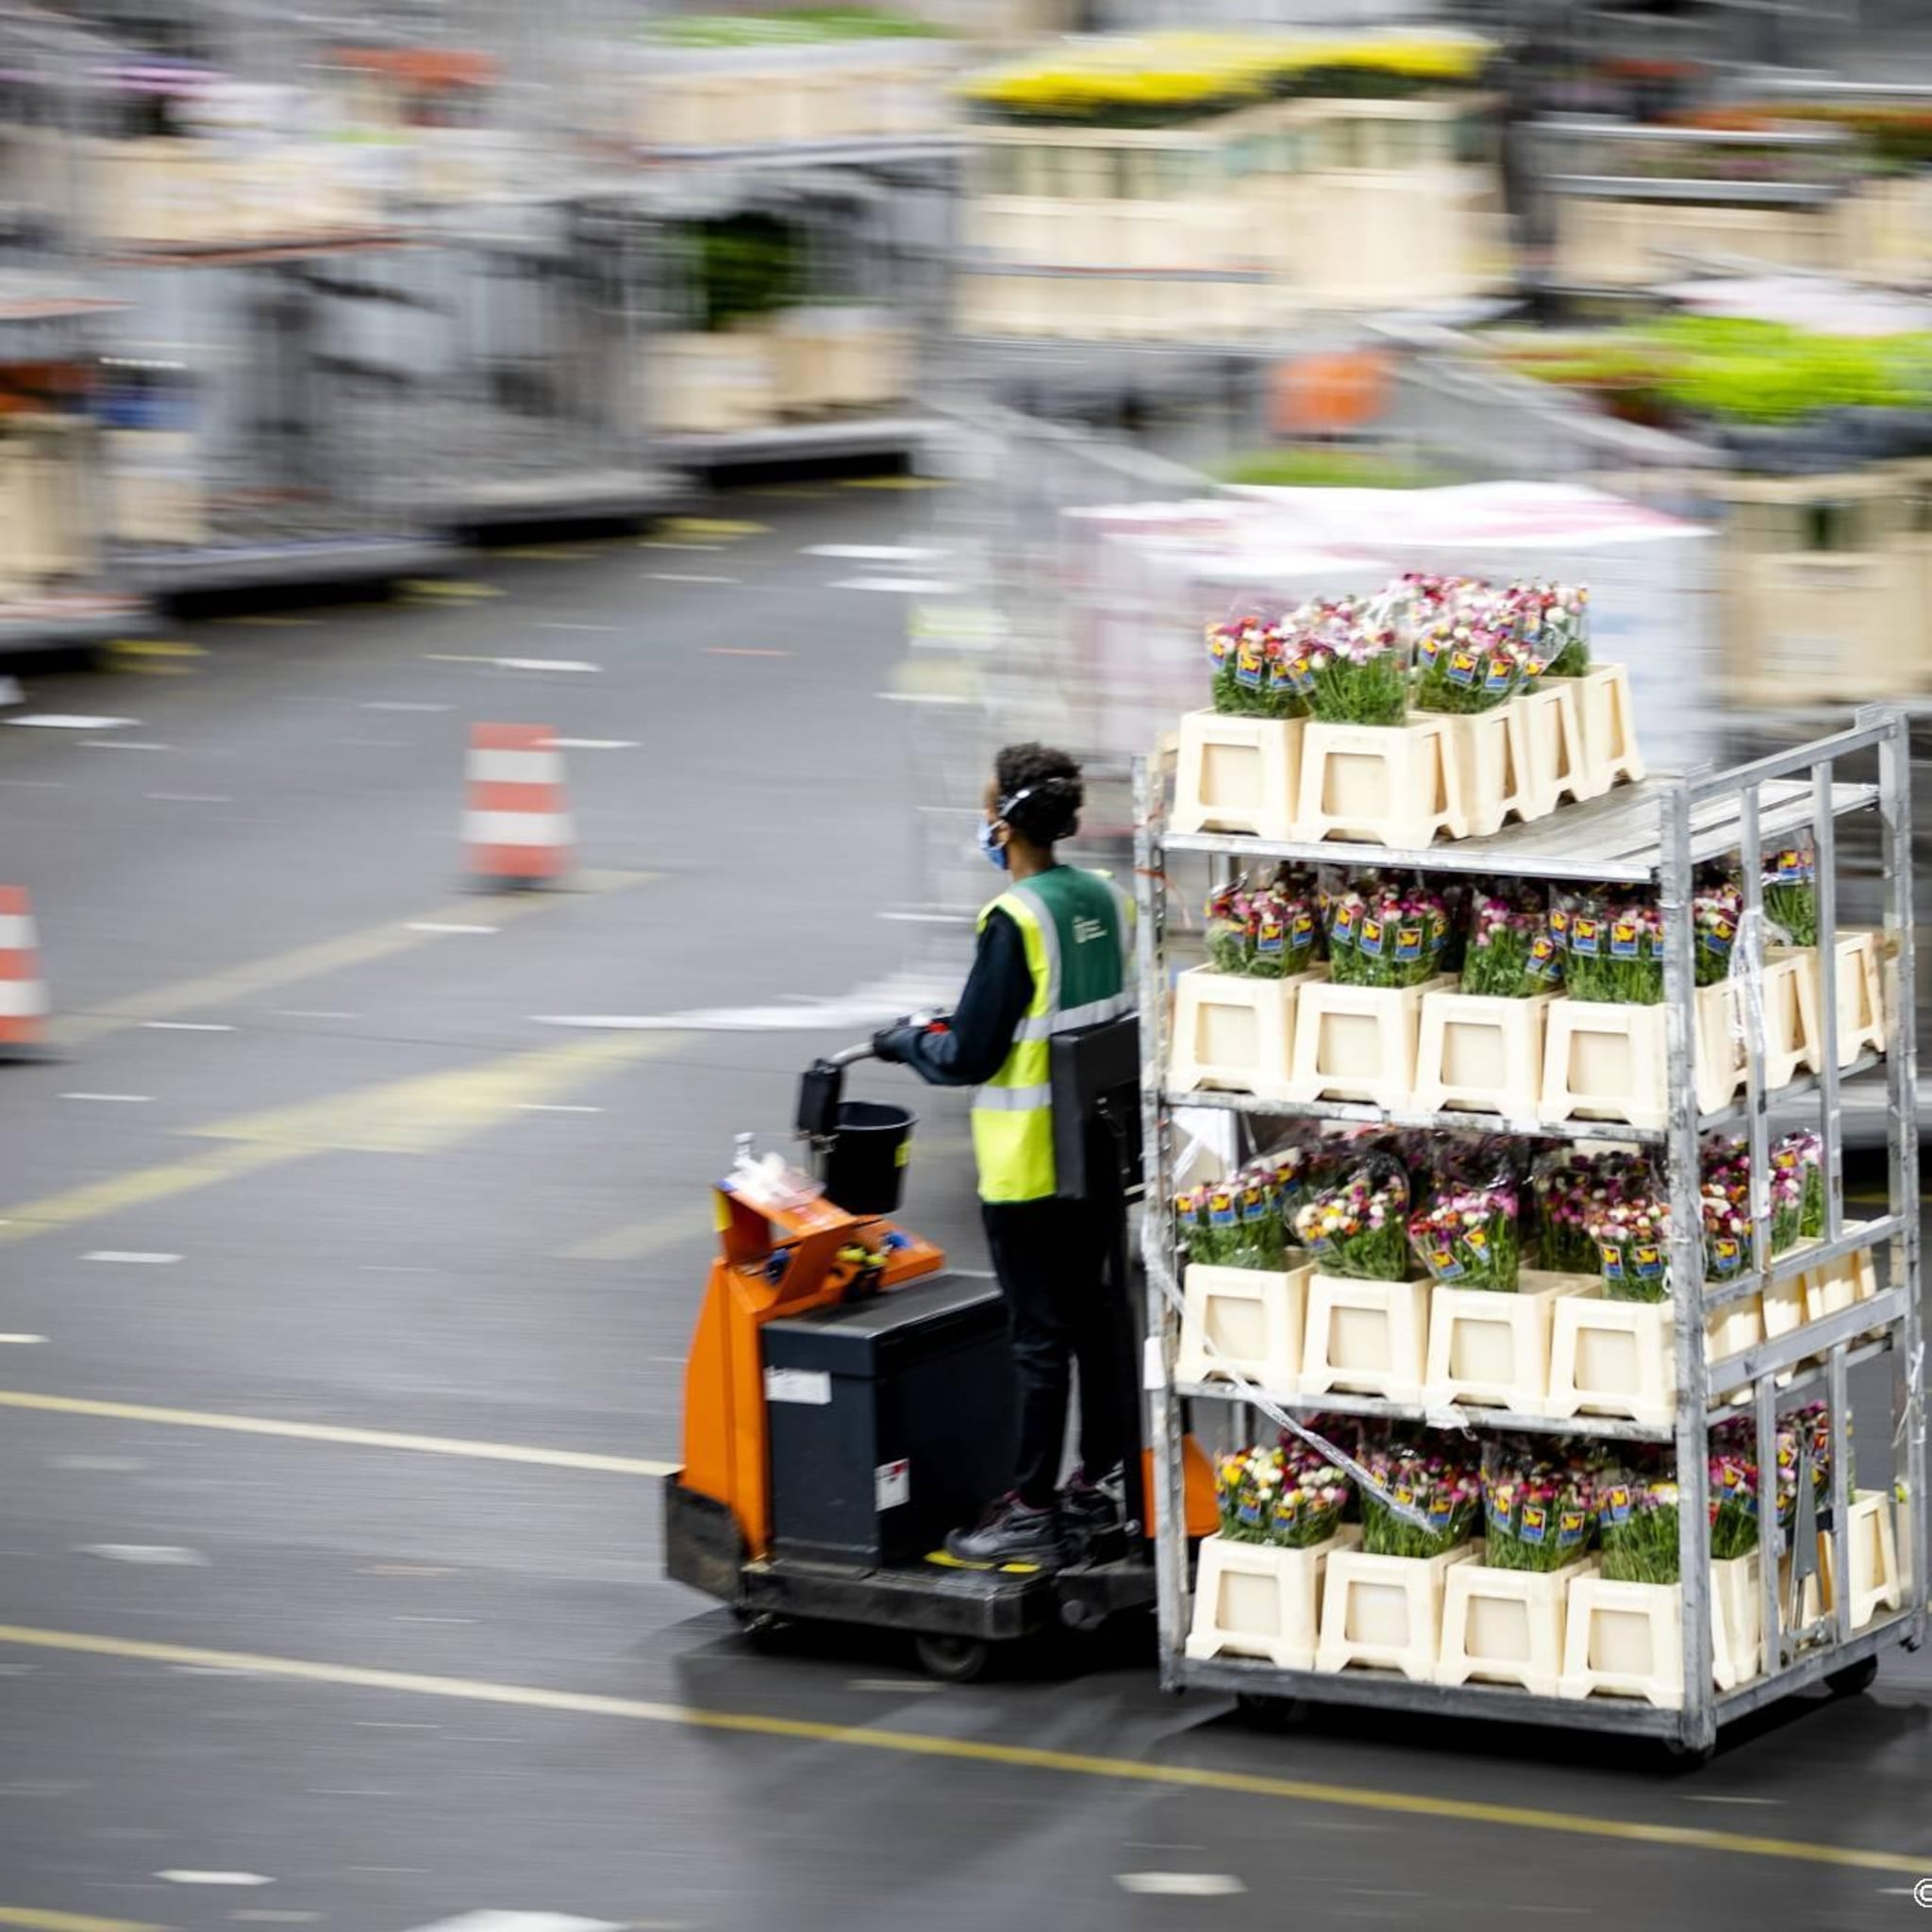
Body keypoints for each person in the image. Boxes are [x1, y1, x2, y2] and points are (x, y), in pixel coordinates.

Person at [873, 743, 1136, 1567]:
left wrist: (905, 1040)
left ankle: (1028, 1504)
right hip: (1102, 1150)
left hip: (1030, 1166)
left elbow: (968, 1055)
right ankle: (1100, 1485)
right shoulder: (1109, 901)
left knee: (1038, 1337)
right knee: (1099, 1322)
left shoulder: (1013, 920)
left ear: (1005, 823)